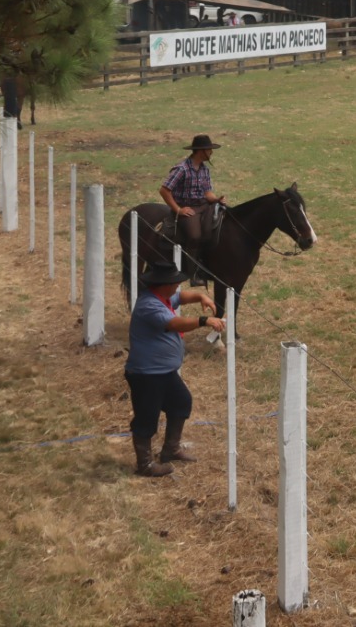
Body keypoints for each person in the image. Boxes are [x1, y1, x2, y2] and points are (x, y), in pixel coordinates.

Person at [125, 260, 224, 477]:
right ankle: (145, 464)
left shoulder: (163, 297)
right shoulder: (149, 305)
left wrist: (200, 297)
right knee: (146, 418)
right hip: (147, 374)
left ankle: (171, 449)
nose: (177, 286)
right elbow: (175, 324)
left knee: (181, 402)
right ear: (163, 284)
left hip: (163, 372)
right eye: (175, 282)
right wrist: (203, 320)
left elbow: (181, 297)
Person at [160, 135, 224, 261]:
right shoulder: (181, 169)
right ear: (201, 151)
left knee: (215, 228)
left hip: (204, 205)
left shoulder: (204, 169)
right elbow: (164, 190)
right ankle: (192, 270)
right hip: (188, 207)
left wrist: (217, 199)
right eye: (209, 149)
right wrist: (178, 210)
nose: (211, 152)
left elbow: (207, 193)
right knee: (195, 236)